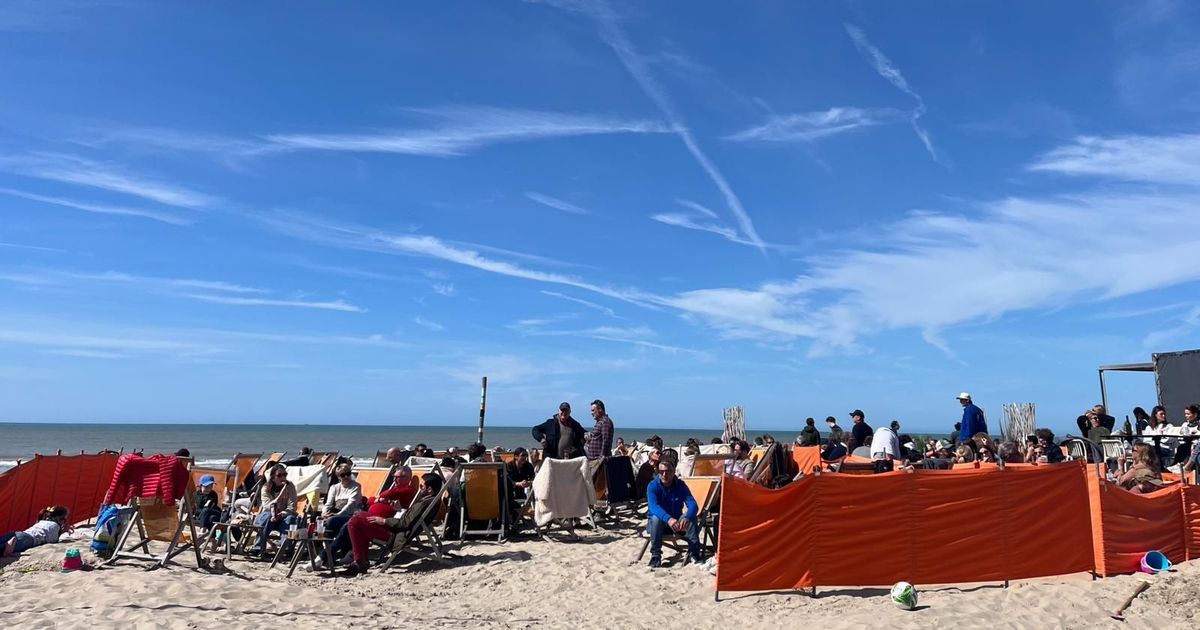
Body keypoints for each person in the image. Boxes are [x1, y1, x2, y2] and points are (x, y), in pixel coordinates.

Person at [337, 473, 445, 576]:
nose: (419, 488)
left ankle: (359, 561)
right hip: (396, 529)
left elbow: (405, 523)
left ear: (430, 490)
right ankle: (360, 560)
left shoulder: (424, 503)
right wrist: (399, 510)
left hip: (395, 535)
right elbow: (408, 519)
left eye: (421, 486)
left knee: (355, 521)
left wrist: (384, 521)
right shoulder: (427, 501)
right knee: (360, 517)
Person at [645, 459, 700, 568]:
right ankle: (656, 556)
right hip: (658, 525)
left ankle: (694, 554)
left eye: (668, 471)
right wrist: (668, 519)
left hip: (676, 525)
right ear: (658, 472)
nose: (665, 474)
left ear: (674, 471)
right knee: (656, 518)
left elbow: (693, 504)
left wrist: (687, 517)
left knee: (691, 516)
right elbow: (653, 507)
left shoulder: (680, 485)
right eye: (661, 472)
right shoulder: (653, 485)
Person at [247, 465, 298, 559]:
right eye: (279, 475)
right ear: (273, 477)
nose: (283, 477)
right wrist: (280, 495)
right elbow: (268, 506)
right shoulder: (266, 487)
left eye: (285, 474)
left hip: (284, 516)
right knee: (268, 516)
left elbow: (292, 506)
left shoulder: (290, 486)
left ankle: (285, 549)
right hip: (269, 515)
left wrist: (281, 514)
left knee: (290, 519)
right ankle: (258, 548)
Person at [1, 506, 70, 557]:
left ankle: (7, 545)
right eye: (64, 519)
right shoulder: (55, 526)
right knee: (3, 550)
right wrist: (62, 532)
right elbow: (52, 541)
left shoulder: (42, 522)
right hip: (29, 539)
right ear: (59, 519)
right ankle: (6, 547)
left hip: (19, 534)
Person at [321, 463, 362, 539]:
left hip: (350, 514)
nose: (346, 476)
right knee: (316, 517)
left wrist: (337, 515)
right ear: (338, 477)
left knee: (331, 520)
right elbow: (328, 504)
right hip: (336, 512)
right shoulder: (334, 487)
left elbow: (351, 504)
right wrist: (324, 514)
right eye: (343, 475)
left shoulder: (356, 486)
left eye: (348, 474)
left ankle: (329, 544)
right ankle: (317, 545)